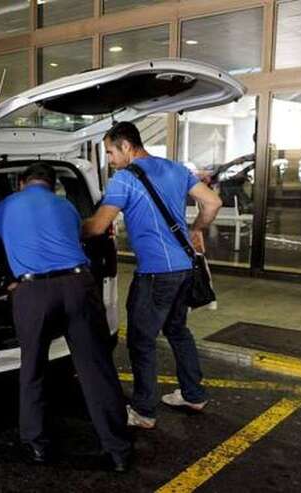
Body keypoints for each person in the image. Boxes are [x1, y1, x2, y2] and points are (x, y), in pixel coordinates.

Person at [0, 162, 132, 471]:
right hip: (79, 285)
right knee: (96, 368)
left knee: (33, 369)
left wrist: (10, 267)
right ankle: (118, 452)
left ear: (22, 182)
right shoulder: (66, 206)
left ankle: (37, 446)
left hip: (33, 292)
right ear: (53, 185)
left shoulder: (6, 205)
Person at [83, 122, 222, 430]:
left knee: (141, 340)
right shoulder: (176, 168)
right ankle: (193, 395)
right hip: (185, 267)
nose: (110, 159)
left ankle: (144, 411)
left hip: (156, 273)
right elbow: (213, 202)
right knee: (177, 330)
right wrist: (196, 229)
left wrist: (66, 228)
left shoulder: (124, 179)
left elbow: (96, 227)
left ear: (126, 147)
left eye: (110, 152)